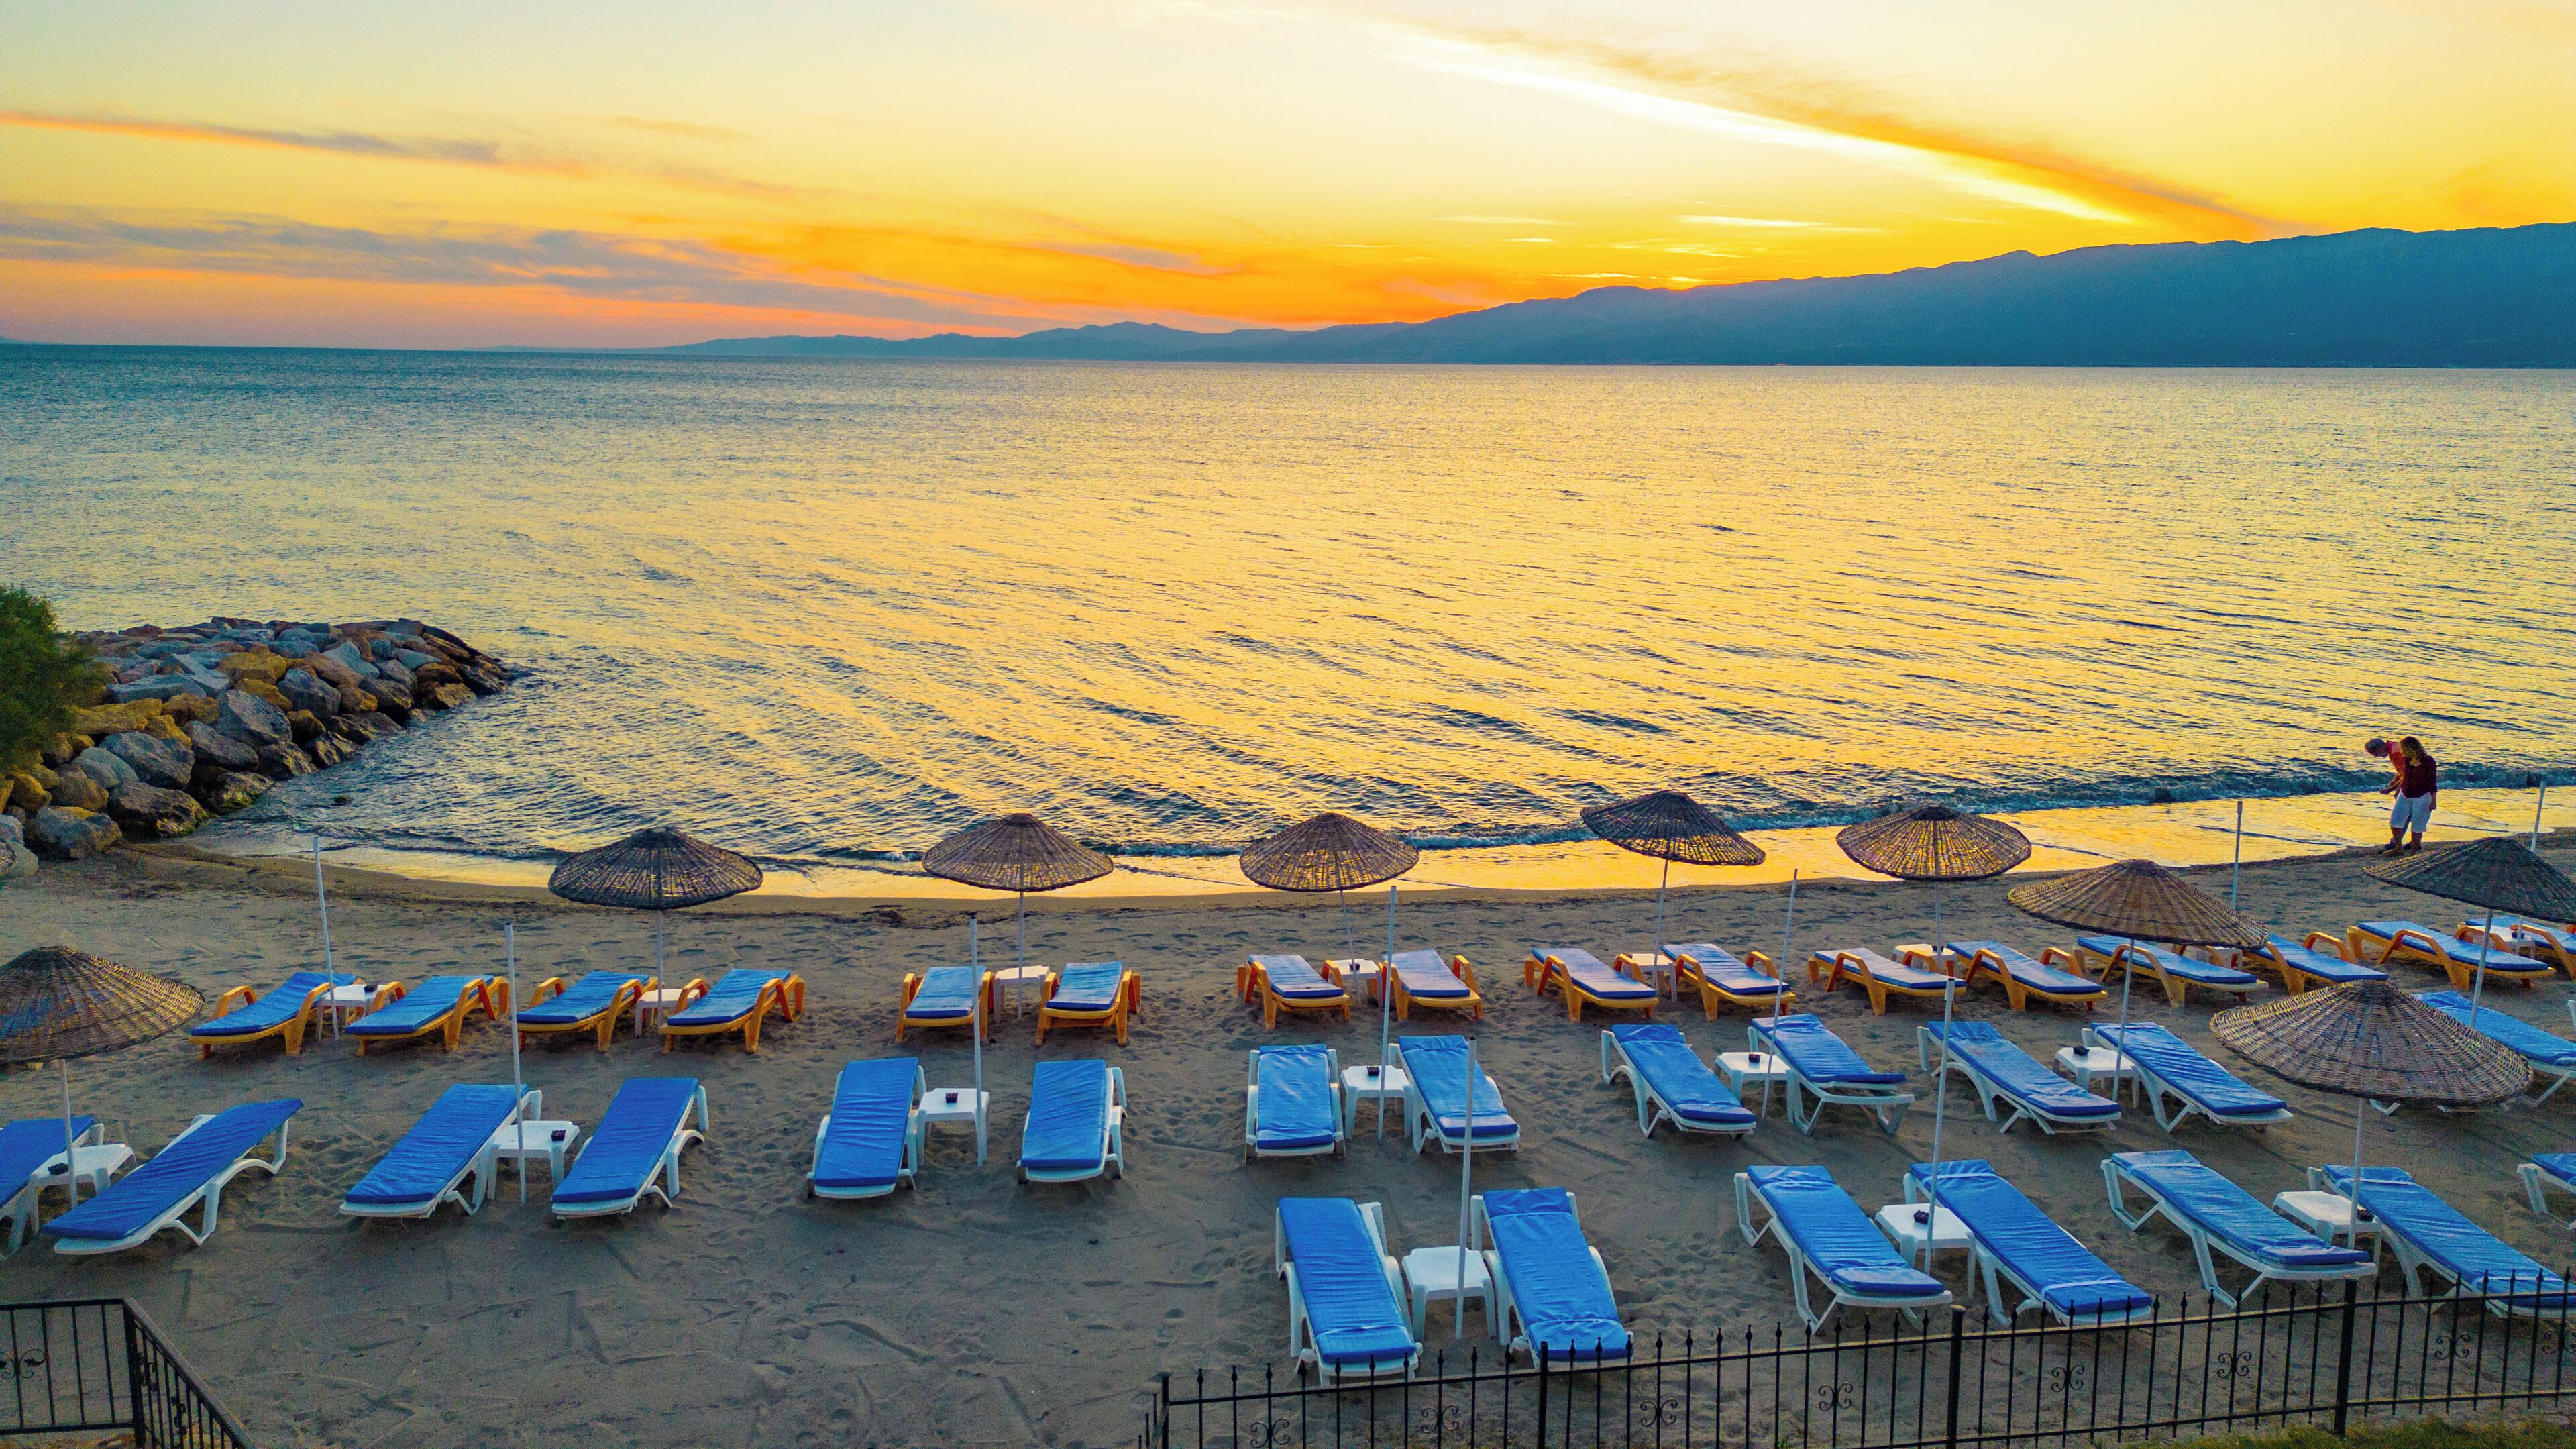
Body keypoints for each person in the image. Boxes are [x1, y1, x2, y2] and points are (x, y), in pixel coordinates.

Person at [2367, 736, 2438, 853]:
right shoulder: (2406, 758)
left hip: (2420, 794)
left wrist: (2433, 800)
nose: (2402, 752)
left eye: (2374, 753)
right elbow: (2404, 774)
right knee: (2398, 820)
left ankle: (2409, 848)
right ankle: (2400, 846)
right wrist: (2393, 786)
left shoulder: (2425, 760)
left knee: (2414, 823)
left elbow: (2431, 781)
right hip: (2406, 793)